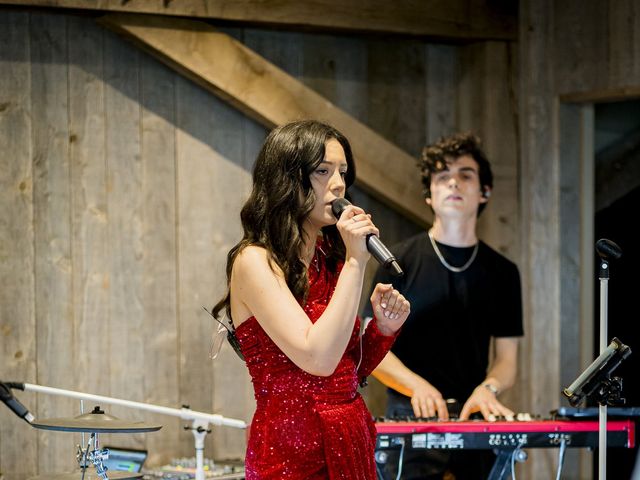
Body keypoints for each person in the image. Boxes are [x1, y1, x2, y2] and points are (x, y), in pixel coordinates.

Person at [212, 120, 411, 480]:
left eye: (343, 172)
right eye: (323, 171)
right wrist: (355, 261)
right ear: (286, 178)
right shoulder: (254, 261)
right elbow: (316, 358)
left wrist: (382, 330)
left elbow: (344, 373)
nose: (339, 185)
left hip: (350, 442)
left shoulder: (329, 258)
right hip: (291, 458)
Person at [363, 133, 523, 479]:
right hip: (410, 420)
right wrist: (415, 386)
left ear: (484, 192)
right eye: (442, 176)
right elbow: (370, 347)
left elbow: (507, 359)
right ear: (429, 195)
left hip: (474, 418)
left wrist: (489, 387)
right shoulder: (398, 261)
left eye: (465, 174)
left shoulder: (503, 272)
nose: (453, 182)